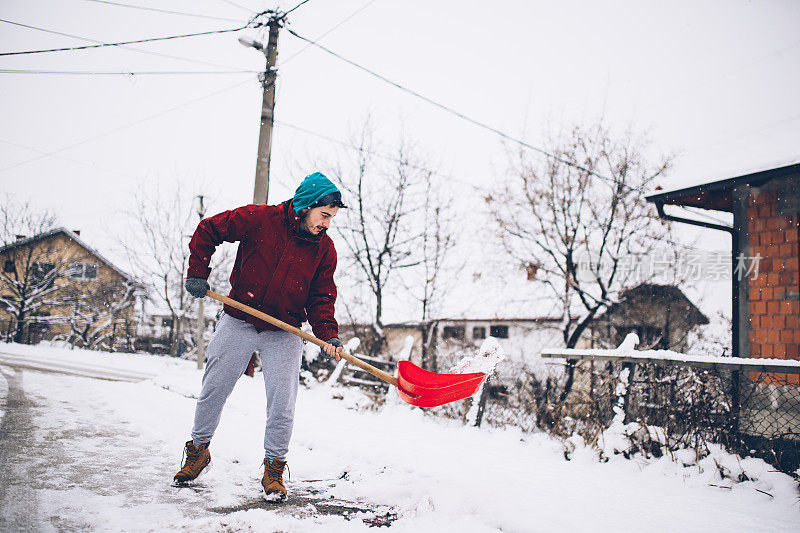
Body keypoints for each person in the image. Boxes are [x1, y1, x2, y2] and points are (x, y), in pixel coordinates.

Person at [173, 172, 346, 501]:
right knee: (214, 390)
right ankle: (197, 452)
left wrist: (328, 335)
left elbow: (321, 298)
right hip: (238, 317)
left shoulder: (324, 250)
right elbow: (209, 229)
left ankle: (274, 468)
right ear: (306, 206)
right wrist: (197, 272)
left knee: (282, 404)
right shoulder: (261, 219)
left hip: (284, 329)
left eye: (331, 218)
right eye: (324, 216)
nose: (327, 224)